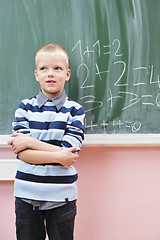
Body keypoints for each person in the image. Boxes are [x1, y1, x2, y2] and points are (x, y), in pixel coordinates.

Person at [8, 43, 85, 240]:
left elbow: (69, 153)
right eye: (44, 68)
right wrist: (58, 154)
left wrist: (31, 142)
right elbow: (22, 153)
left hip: (62, 198)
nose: (50, 74)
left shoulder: (75, 111)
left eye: (57, 68)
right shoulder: (24, 108)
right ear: (36, 74)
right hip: (26, 196)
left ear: (67, 74)